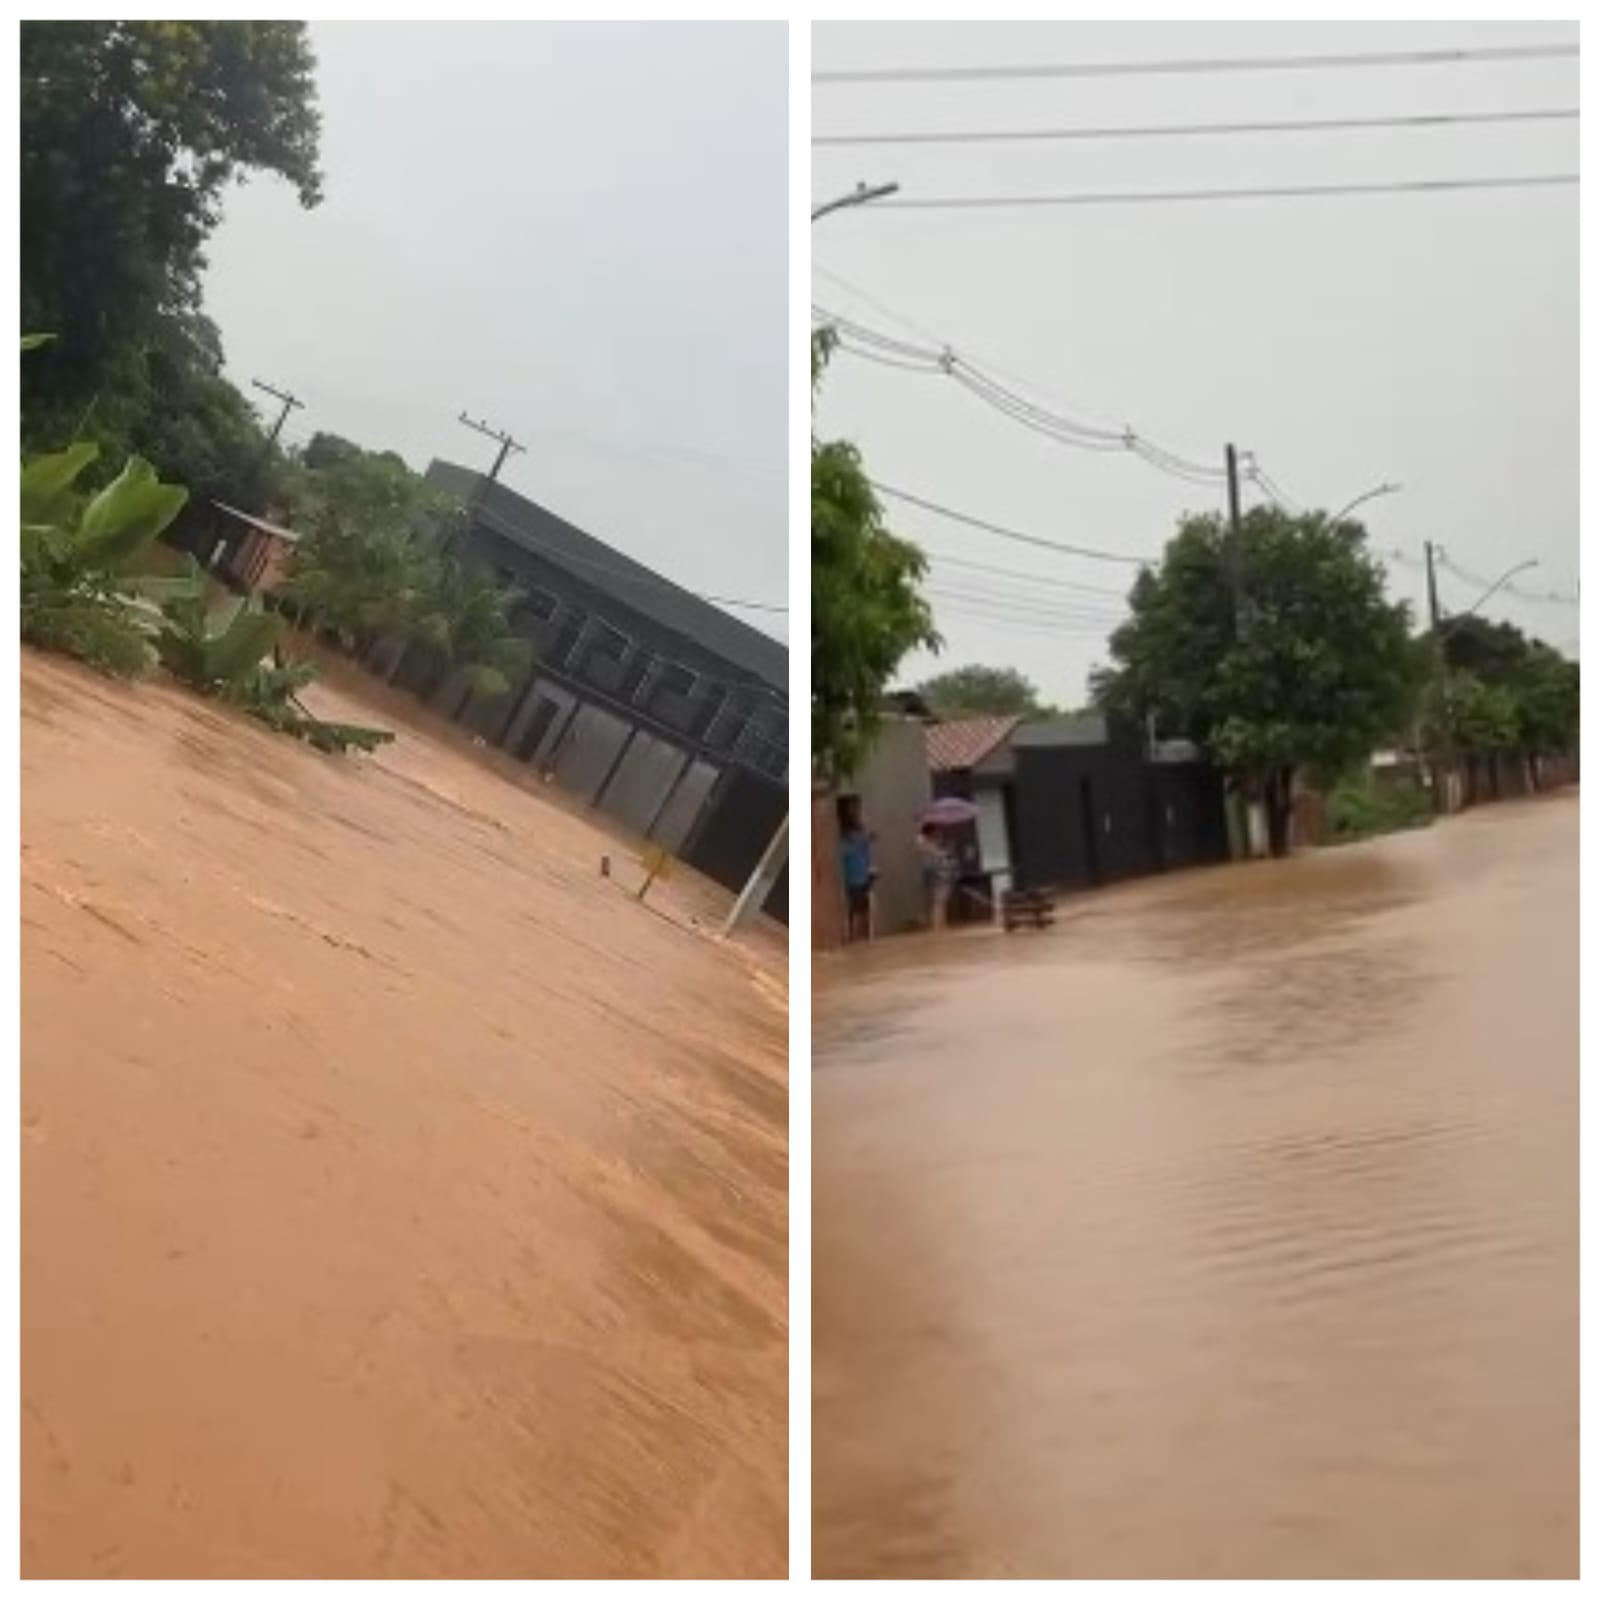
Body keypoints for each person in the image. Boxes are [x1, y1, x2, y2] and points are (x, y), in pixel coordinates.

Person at [839, 802, 875, 943]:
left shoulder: (855, 840)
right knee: (858, 910)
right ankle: (857, 936)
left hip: (857, 878)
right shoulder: (856, 840)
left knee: (857, 909)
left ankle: (857, 936)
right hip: (856, 879)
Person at [916, 822, 957, 932]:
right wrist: (943, 853)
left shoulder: (930, 843)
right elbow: (936, 853)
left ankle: (940, 923)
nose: (937, 833)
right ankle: (938, 925)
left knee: (940, 901)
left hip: (937, 873)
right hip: (936, 873)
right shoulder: (926, 843)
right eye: (935, 831)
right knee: (939, 901)